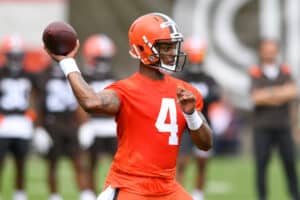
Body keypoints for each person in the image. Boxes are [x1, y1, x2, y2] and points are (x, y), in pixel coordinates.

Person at [44, 12, 213, 200]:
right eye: (166, 47)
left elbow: (205, 144)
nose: (173, 52)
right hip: (130, 186)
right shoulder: (126, 90)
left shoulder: (185, 92)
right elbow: (91, 102)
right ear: (143, 48)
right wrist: (67, 62)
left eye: (173, 46)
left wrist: (191, 115)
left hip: (168, 187)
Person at [36, 60, 94, 200]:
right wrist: (38, 128)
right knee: (52, 164)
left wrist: (85, 123)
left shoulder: (75, 72)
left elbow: (82, 99)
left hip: (71, 123)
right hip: (53, 123)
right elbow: (38, 102)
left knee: (79, 162)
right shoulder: (43, 75)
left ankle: (86, 195)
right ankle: (54, 195)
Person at [249, 39, 299, 200]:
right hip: (262, 127)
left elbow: (292, 92)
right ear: (261, 51)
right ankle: (262, 197)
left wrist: (268, 93)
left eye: (272, 49)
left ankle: (295, 195)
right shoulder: (255, 71)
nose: (270, 53)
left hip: (283, 126)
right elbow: (256, 97)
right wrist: (280, 94)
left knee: (290, 163)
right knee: (262, 164)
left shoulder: (285, 70)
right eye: (266, 49)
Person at [177, 37, 221, 200]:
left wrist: (198, 100)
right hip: (184, 126)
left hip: (203, 123)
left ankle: (198, 195)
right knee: (182, 162)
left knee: (202, 163)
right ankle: (179, 194)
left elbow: (216, 97)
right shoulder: (181, 78)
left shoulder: (208, 79)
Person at [78, 34, 117, 196]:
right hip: (93, 124)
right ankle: (89, 195)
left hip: (111, 125)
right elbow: (79, 101)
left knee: (118, 164)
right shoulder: (85, 77)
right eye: (100, 58)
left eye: (105, 58)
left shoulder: (112, 76)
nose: (103, 62)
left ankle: (115, 194)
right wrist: (85, 124)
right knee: (89, 163)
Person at [0, 35, 37, 200]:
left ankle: (19, 193)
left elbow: (35, 98)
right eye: (12, 55)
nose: (15, 59)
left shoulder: (29, 75)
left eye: (18, 55)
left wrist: (32, 118)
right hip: (3, 121)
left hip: (22, 122)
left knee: (21, 162)